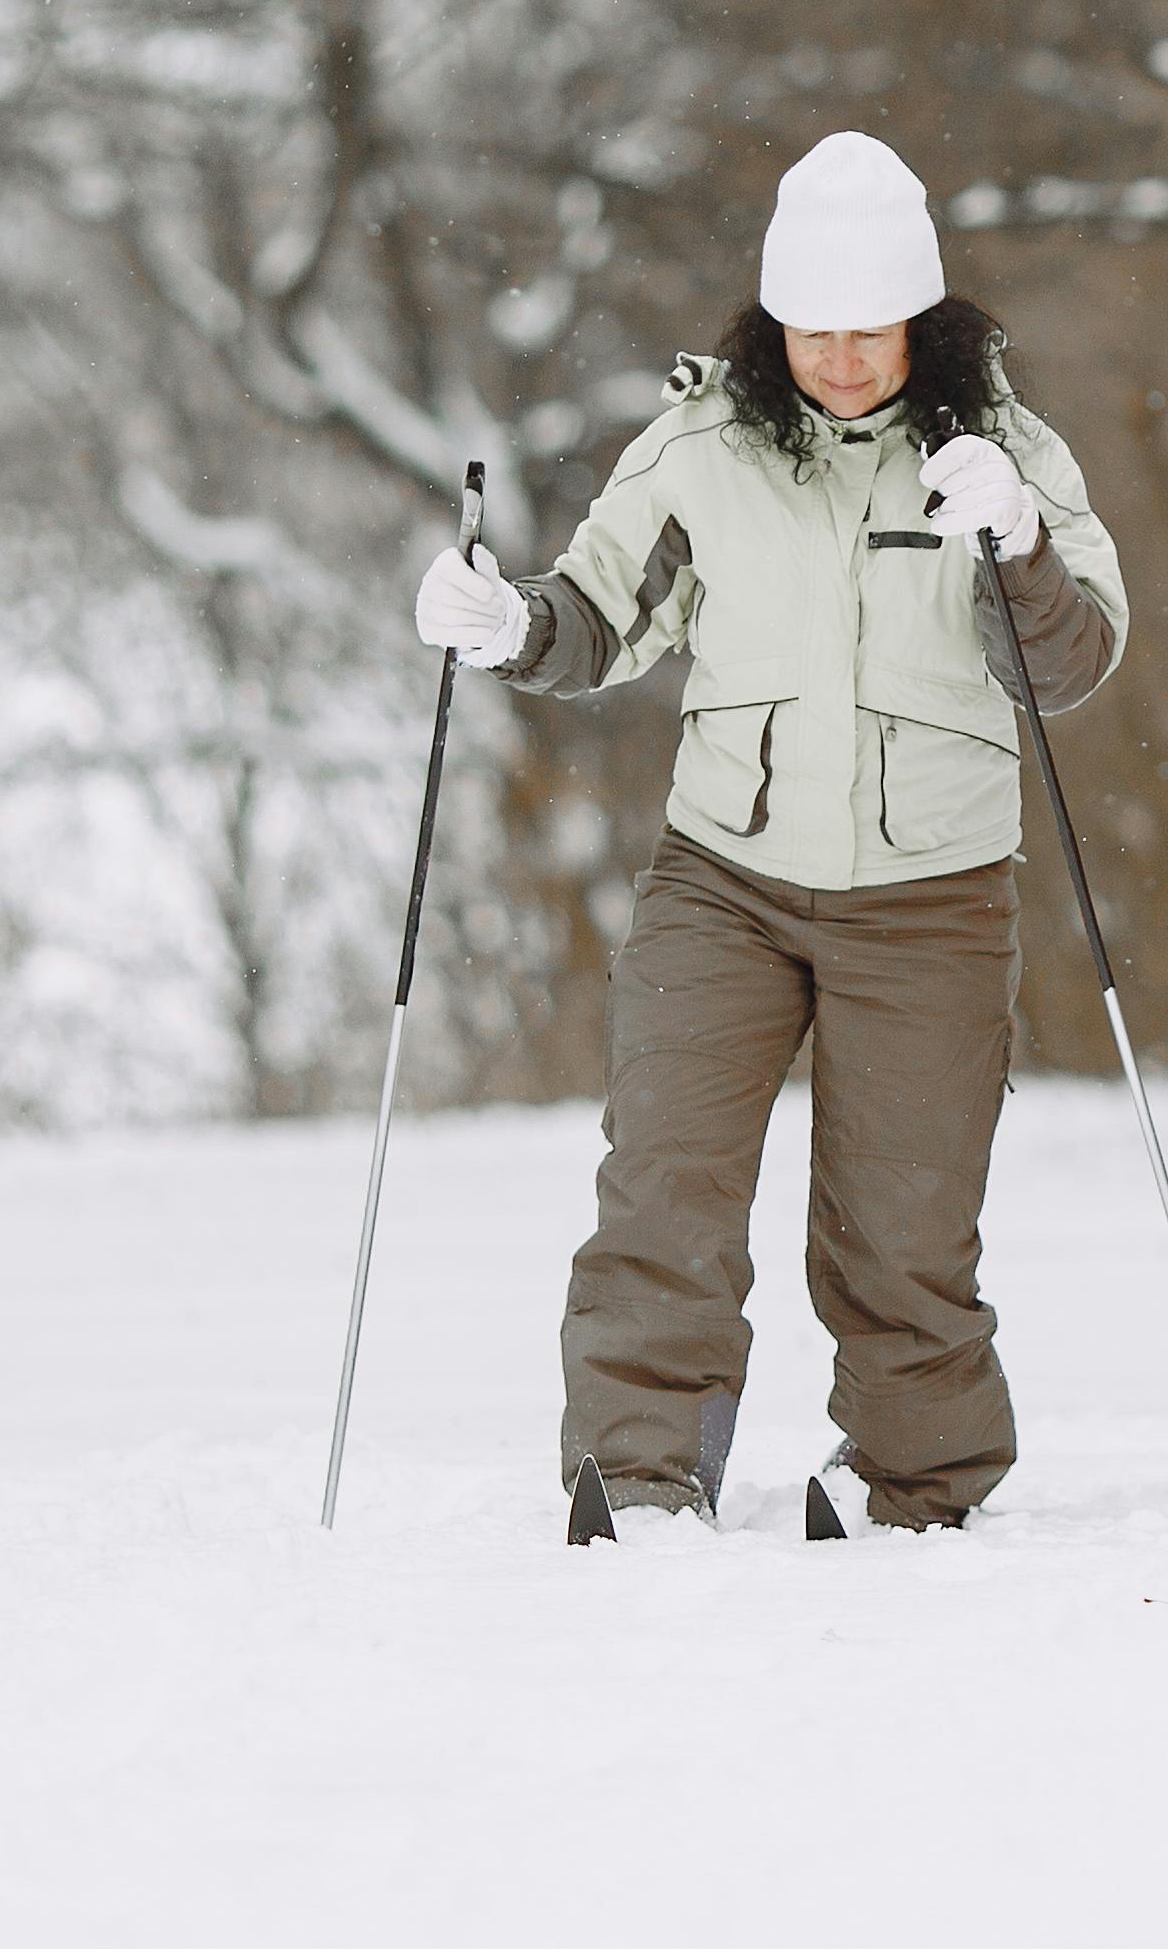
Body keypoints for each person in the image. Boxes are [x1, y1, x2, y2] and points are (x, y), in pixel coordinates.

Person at [415, 131, 1131, 1542]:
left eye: (874, 329)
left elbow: (1073, 663)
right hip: (724, 880)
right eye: (817, 328)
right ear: (774, 319)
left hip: (931, 893)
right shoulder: (705, 447)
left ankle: (913, 1482)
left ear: (920, 319)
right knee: (665, 1178)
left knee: (904, 1225)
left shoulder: (1006, 455)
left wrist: (1022, 550)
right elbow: (606, 608)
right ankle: (641, 1468)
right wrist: (512, 626)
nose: (845, 357)